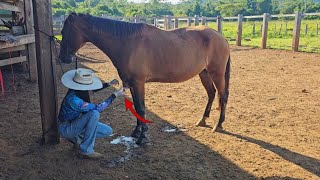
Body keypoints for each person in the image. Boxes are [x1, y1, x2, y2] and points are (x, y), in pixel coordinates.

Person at [58, 68, 125, 159]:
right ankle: (86, 150)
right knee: (94, 114)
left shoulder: (76, 90)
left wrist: (108, 84)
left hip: (75, 122)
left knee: (107, 131)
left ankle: (78, 139)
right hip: (66, 128)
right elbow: (98, 108)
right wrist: (115, 95)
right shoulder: (74, 100)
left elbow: (90, 91)